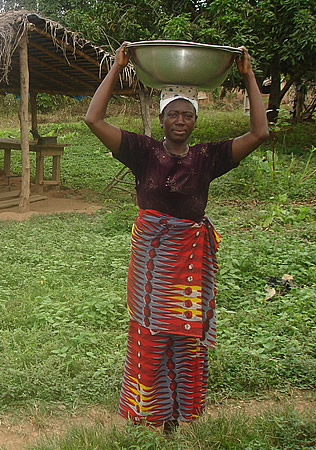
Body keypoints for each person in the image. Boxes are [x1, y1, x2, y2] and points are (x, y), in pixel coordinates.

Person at [84, 42, 269, 433]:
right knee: (149, 331)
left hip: (189, 258)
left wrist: (249, 76)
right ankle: (148, 411)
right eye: (173, 114)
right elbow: (93, 120)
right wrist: (116, 69)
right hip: (151, 259)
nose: (180, 121)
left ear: (195, 121)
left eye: (187, 115)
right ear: (164, 119)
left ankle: (178, 414)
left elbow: (259, 131)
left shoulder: (208, 157)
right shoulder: (143, 151)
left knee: (186, 333)